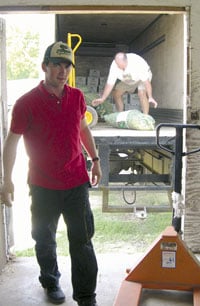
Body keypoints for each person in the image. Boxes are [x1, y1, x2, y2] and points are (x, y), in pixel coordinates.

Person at [0, 41, 102, 306]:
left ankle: (86, 296)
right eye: (56, 64)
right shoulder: (26, 103)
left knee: (82, 241)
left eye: (67, 65)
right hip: (43, 185)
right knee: (44, 239)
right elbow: (12, 141)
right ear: (45, 66)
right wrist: (7, 179)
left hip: (76, 182)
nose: (62, 70)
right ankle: (51, 281)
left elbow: (83, 129)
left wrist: (95, 159)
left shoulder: (77, 97)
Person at [92, 52, 158, 114]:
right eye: (118, 66)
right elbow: (110, 83)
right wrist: (103, 98)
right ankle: (120, 115)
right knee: (116, 94)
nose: (119, 68)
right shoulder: (114, 65)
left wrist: (150, 97)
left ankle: (145, 117)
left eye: (122, 66)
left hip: (142, 78)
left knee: (141, 93)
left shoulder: (137, 64)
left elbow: (147, 83)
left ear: (126, 61)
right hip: (128, 78)